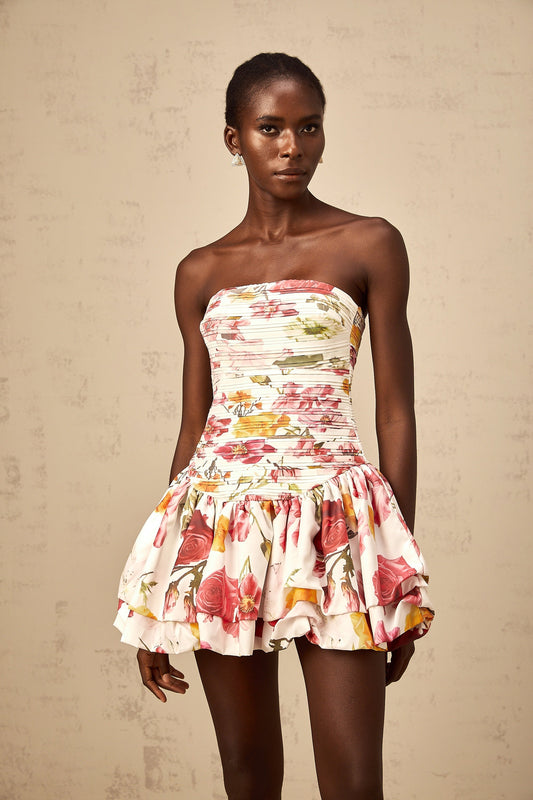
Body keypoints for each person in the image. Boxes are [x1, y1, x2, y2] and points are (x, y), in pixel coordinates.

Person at [114, 52, 434, 800]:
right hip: (221, 526)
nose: (292, 146)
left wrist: (394, 571)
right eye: (270, 128)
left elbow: (395, 409)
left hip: (336, 523)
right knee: (248, 774)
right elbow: (194, 427)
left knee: (353, 783)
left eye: (308, 127)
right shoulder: (200, 271)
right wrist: (162, 589)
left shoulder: (368, 243)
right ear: (235, 139)